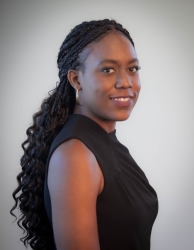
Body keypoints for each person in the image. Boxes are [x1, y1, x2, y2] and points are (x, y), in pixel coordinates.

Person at [11, 19, 158, 250]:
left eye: (132, 69)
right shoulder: (76, 155)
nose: (126, 82)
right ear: (76, 79)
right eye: (108, 70)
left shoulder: (102, 140)